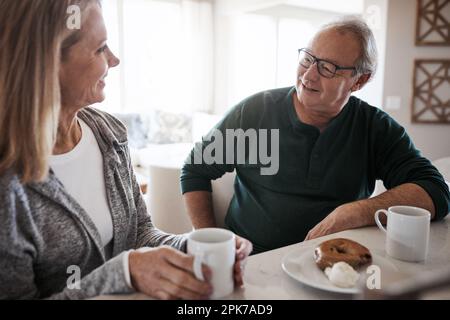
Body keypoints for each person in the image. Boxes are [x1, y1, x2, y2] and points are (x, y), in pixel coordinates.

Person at [0, 0, 252, 300]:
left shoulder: (110, 134)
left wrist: (194, 248)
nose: (115, 59)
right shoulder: (8, 184)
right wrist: (124, 273)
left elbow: (140, 234)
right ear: (45, 63)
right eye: (100, 48)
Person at [181, 17, 450, 254]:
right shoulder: (256, 112)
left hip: (334, 268)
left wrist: (356, 210)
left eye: (328, 68)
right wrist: (212, 242)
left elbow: (436, 191)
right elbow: (195, 170)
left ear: (359, 81)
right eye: (308, 59)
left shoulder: (374, 127)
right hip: (252, 260)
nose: (308, 75)